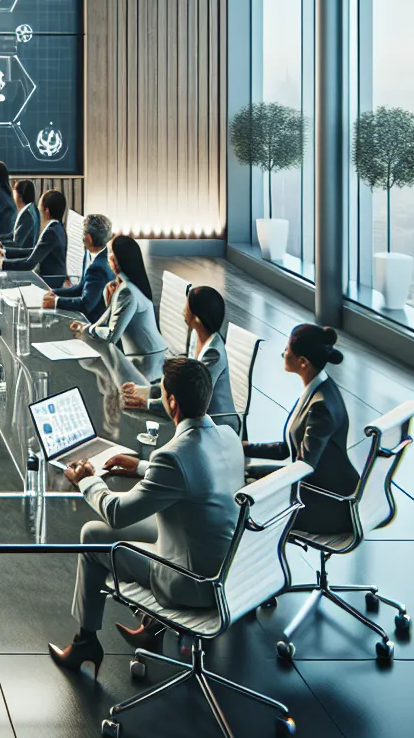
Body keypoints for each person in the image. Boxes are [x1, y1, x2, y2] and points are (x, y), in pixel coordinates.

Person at [48, 358, 244, 671]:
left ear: (172, 402)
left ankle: (86, 642)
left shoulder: (172, 456)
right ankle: (149, 625)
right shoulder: (228, 437)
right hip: (230, 572)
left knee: (93, 537)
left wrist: (86, 479)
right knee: (106, 534)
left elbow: (116, 513)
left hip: (192, 583)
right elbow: (197, 475)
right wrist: (140, 466)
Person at [245, 324, 358, 535]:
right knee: (247, 476)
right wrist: (246, 448)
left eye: (287, 350)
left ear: (303, 362)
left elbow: (303, 467)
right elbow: (287, 450)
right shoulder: (318, 389)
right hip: (316, 486)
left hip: (328, 503)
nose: (283, 353)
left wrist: (262, 484)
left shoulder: (320, 406)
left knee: (246, 502)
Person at [122, 286, 233, 419]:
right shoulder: (195, 334)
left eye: (187, 309)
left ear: (197, 319)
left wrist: (146, 404)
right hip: (193, 413)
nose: (183, 312)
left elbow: (189, 396)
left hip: (215, 423)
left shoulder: (213, 353)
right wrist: (142, 391)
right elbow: (181, 383)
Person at [75, 235, 165, 367]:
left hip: (146, 361)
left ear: (114, 260)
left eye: (109, 252)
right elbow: (105, 321)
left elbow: (111, 335)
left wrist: (89, 330)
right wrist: (85, 328)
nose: (107, 256)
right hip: (146, 356)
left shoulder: (127, 291)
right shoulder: (125, 286)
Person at [45, 214, 113, 322]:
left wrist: (56, 302)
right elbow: (81, 288)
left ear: (88, 238)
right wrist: (54, 292)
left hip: (93, 324)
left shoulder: (98, 268)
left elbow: (86, 305)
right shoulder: (96, 255)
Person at [0, 189, 69, 283]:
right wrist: (4, 252)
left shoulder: (51, 232)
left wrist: (1, 264)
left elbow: (29, 263)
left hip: (49, 281)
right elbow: (34, 251)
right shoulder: (57, 228)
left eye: (40, 206)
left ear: (47, 211)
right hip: (48, 278)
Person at [0, 179, 40, 251]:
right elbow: (14, 235)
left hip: (21, 255)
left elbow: (17, 244)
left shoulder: (26, 215)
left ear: (19, 195)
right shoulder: (32, 209)